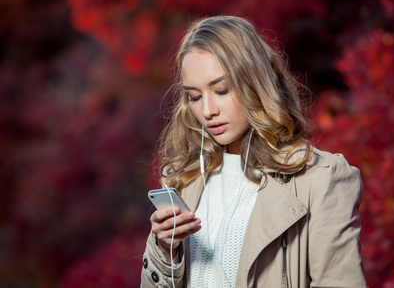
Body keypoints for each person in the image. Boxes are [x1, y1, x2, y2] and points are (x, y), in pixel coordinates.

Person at [141, 15, 367, 288]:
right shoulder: (183, 180)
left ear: (255, 82)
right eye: (195, 97)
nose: (208, 110)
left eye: (222, 90)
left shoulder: (319, 179)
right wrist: (164, 251)